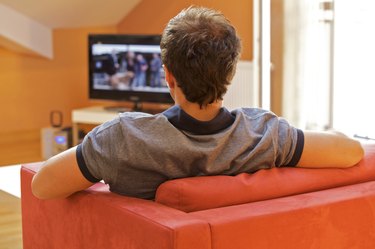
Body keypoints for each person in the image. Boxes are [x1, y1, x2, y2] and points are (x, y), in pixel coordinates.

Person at [32, 6, 364, 200]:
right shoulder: (265, 134)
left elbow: (42, 185)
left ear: (168, 76)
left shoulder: (122, 138)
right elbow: (351, 152)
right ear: (231, 74)